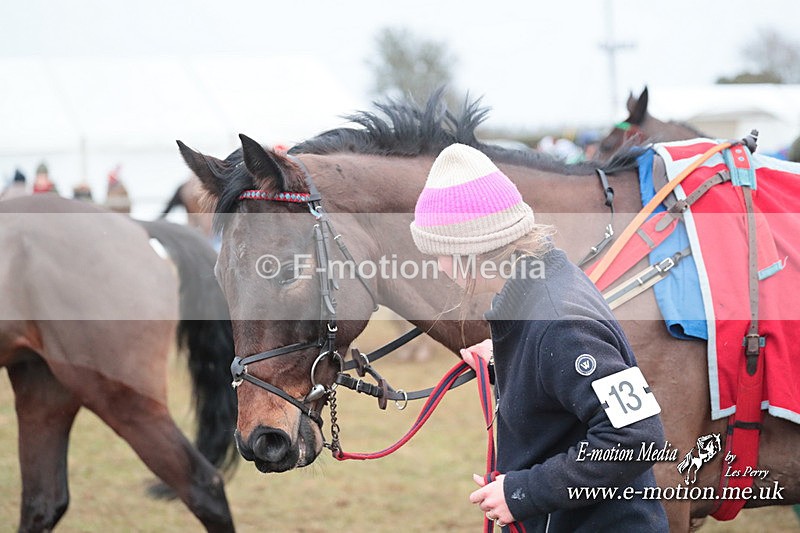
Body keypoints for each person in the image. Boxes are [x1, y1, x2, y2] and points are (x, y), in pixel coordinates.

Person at [409, 144, 669, 531]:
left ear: (471, 248)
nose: (438, 264)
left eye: (441, 251)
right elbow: (556, 381)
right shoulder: (542, 283)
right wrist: (506, 356)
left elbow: (639, 435)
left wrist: (523, 492)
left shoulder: (561, 323)